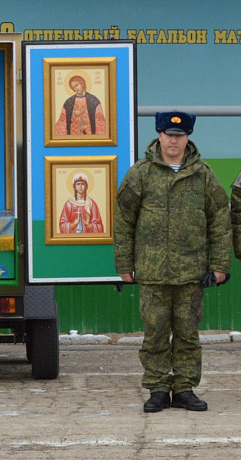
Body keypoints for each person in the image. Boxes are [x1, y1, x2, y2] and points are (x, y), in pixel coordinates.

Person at [113, 111, 231, 413]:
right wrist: (124, 263)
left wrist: (219, 266)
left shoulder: (203, 174)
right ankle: (157, 388)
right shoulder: (141, 173)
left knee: (188, 334)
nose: (174, 140)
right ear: (159, 136)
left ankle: (184, 388)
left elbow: (219, 219)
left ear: (188, 137)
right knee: (154, 333)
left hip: (192, 273)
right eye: (169, 134)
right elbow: (124, 220)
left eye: (180, 135)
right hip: (153, 272)